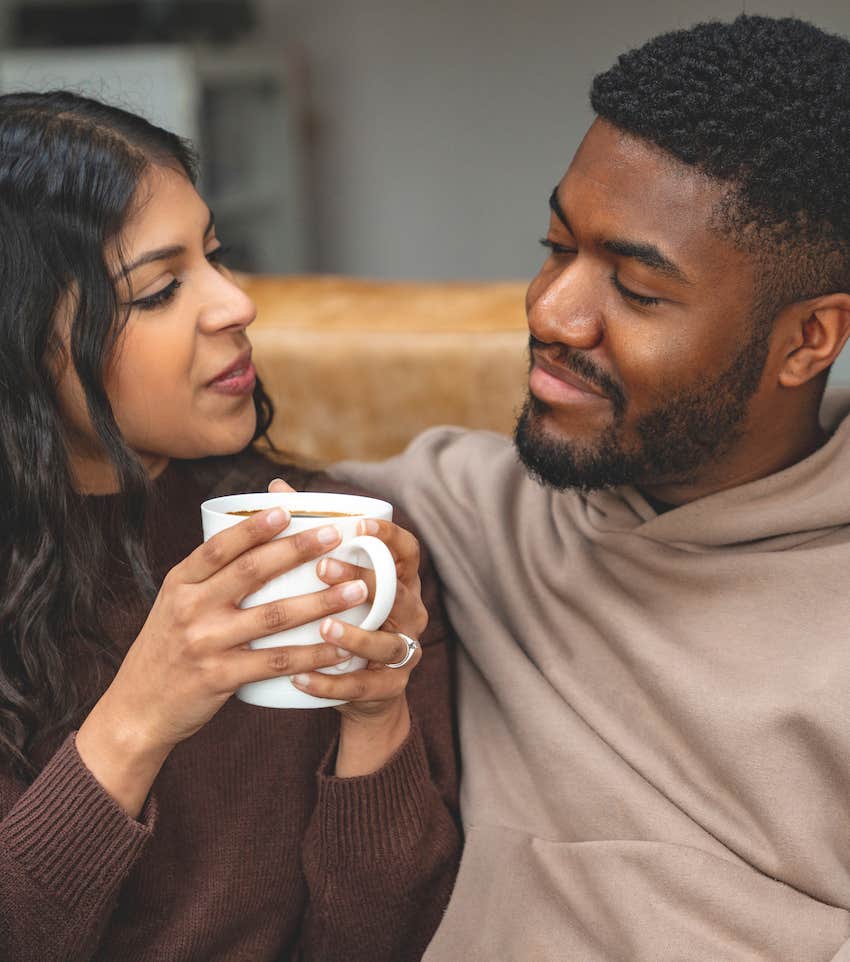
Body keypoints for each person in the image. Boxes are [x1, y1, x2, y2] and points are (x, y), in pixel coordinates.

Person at [329, 15, 850, 961]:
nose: (552, 311)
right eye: (556, 244)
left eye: (639, 292)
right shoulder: (462, 510)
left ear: (808, 340)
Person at [0, 91, 459, 962]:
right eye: (162, 288)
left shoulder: (335, 534)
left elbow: (385, 941)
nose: (235, 304)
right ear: (20, 345)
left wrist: (377, 721)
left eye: (216, 256)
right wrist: (139, 715)